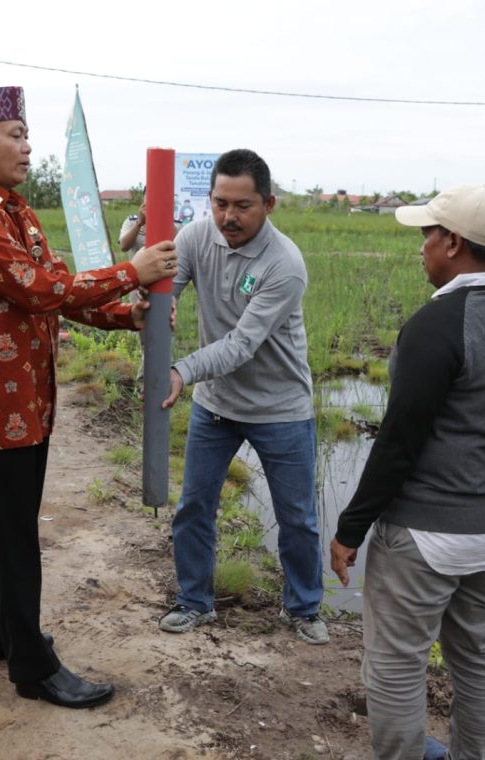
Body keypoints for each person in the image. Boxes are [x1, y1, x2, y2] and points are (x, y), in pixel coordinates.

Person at [0, 83, 176, 709]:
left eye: (26, 134)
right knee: (11, 535)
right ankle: (33, 669)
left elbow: (55, 289)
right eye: (14, 135)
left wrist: (130, 317)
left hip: (18, 400)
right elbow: (39, 290)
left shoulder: (10, 206)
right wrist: (133, 271)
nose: (26, 146)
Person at [329, 185, 485, 760]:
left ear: (452, 243)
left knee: (397, 661)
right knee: (475, 652)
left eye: (426, 235)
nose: (420, 247)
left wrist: (350, 529)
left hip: (428, 534)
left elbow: (399, 443)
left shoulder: (436, 325)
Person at [159, 149, 328, 646]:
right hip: (216, 406)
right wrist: (161, 306)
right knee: (194, 506)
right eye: (220, 203)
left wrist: (181, 371)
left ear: (269, 204)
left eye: (243, 206)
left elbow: (241, 345)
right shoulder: (194, 237)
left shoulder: (285, 264)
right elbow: (170, 285)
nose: (229, 217)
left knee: (296, 516)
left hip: (281, 410)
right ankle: (194, 601)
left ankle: (303, 608)